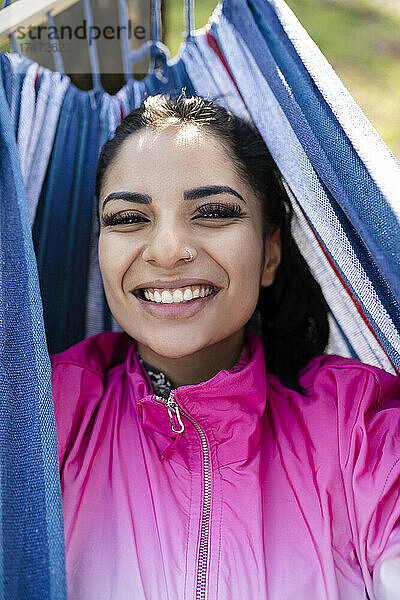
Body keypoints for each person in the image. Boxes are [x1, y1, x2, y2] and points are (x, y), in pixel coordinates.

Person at [51, 94, 400, 600]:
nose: (168, 250)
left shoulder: (357, 428)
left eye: (213, 212)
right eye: (128, 219)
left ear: (269, 254)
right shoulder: (43, 416)